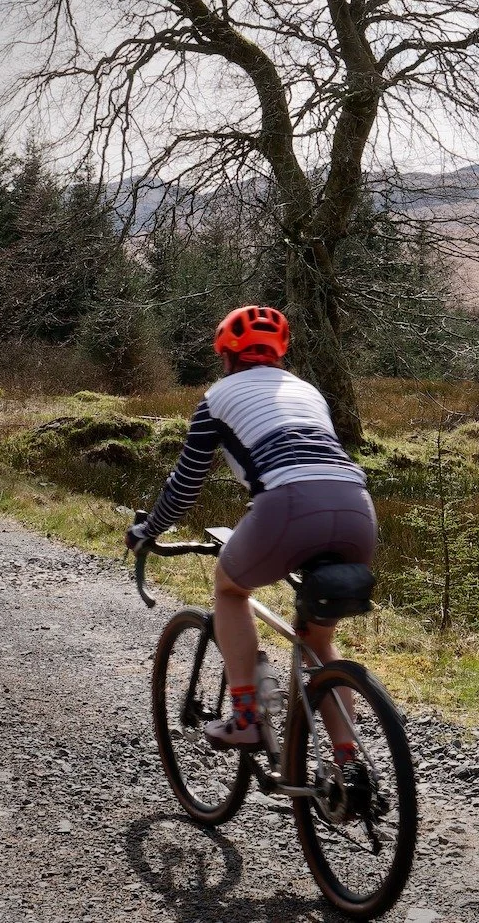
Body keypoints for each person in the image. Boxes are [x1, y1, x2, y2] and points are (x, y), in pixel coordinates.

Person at [126, 305, 376, 763]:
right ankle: (348, 761)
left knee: (230, 588)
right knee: (318, 638)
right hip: (357, 506)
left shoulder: (217, 397)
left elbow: (184, 486)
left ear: (226, 355)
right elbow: (307, 453)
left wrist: (148, 530)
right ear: (280, 355)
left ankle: (246, 718)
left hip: (288, 506)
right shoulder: (309, 392)